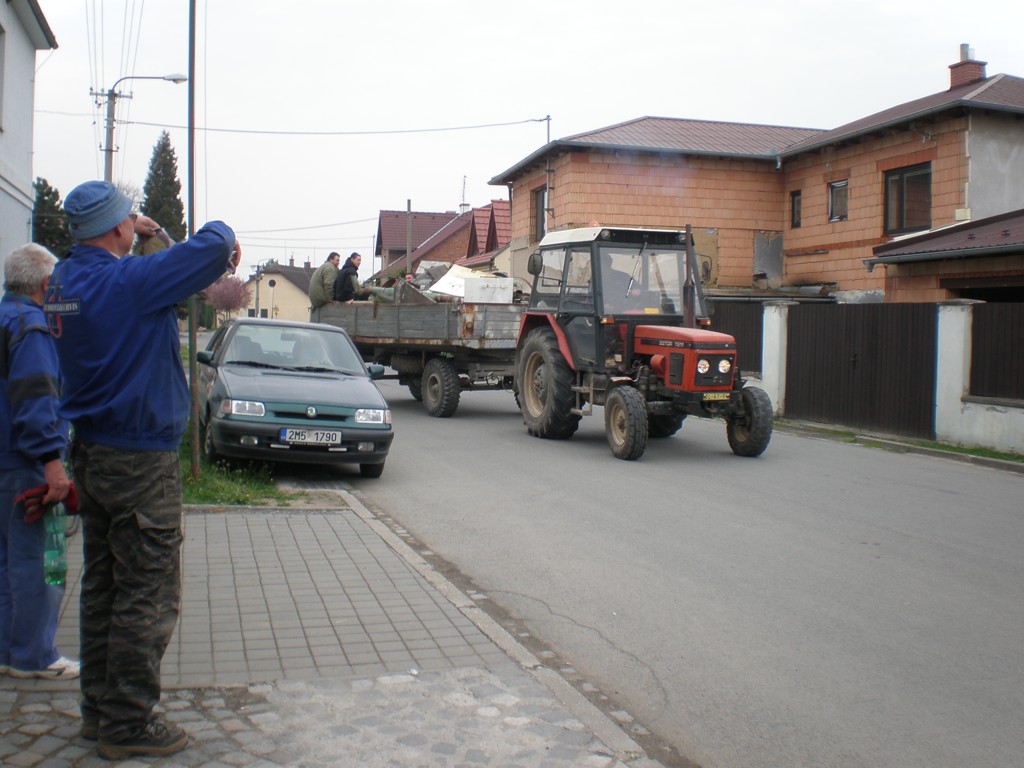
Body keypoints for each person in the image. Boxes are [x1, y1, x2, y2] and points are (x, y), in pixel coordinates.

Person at [44, 180, 239, 760]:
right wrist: (160, 232)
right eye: (126, 217)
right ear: (117, 227)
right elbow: (213, 247)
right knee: (147, 592)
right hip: (138, 460)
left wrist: (138, 232)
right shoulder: (127, 283)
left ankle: (97, 711)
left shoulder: (61, 283)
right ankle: (128, 724)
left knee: (103, 585)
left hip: (92, 451)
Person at [0, 243, 78, 681]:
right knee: (39, 564)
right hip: (27, 464)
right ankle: (35, 656)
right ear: (46, 284)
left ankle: (8, 650)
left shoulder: (2, 317)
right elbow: (35, 401)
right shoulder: (33, 327)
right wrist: (53, 464)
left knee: (5, 563)